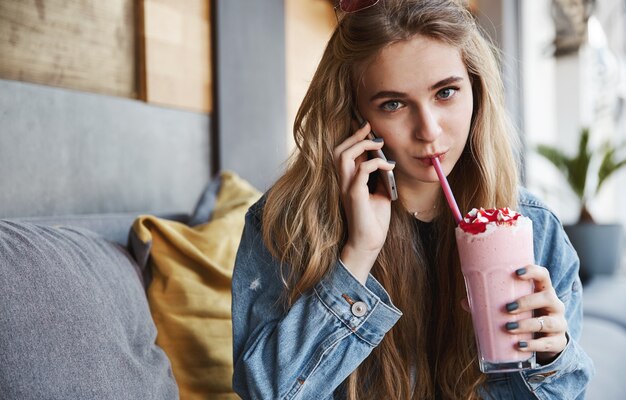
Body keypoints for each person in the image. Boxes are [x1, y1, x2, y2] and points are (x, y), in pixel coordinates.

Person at [231, 0, 594, 398]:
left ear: (477, 89)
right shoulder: (287, 224)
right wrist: (358, 253)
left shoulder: (532, 228)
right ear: (354, 113)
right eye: (394, 104)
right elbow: (265, 393)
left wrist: (551, 358)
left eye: (446, 93)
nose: (428, 130)